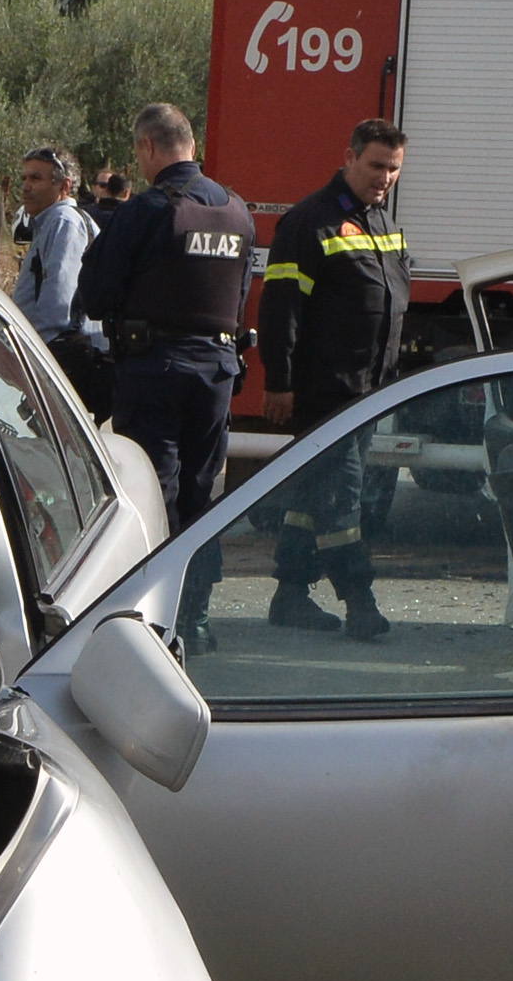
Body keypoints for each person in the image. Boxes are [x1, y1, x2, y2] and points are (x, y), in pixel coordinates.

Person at [73, 102, 256, 651]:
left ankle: (154, 620)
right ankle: (195, 617)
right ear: (191, 144)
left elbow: (96, 293)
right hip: (218, 372)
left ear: (149, 149)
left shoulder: (148, 210)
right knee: (202, 493)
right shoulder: (237, 210)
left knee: (156, 492)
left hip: (155, 369)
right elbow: (240, 295)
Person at [252, 118, 411, 640]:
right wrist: (279, 380)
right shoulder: (308, 222)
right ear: (349, 157)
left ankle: (290, 596)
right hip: (327, 391)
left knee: (312, 497)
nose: (384, 177)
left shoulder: (381, 221)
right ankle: (359, 602)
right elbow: (281, 309)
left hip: (368, 390)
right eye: (375, 166)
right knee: (343, 501)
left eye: (392, 169)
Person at [9, 146, 105, 412]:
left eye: (36, 179)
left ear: (65, 185)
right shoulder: (50, 222)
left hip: (60, 360)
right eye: (24, 178)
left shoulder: (64, 222)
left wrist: (33, 359)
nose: (26, 186)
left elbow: (58, 307)